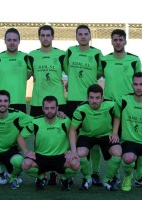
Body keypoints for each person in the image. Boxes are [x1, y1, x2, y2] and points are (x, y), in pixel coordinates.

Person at [100, 29, 142, 186]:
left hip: (130, 107)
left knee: (137, 140)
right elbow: (93, 76)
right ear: (111, 42)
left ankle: (139, 176)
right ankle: (116, 175)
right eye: (115, 39)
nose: (118, 42)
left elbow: (140, 83)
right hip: (111, 109)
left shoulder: (134, 60)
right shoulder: (104, 60)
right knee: (115, 141)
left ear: (125, 41)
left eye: (120, 39)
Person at [63, 24, 104, 186]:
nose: (82, 36)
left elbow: (100, 72)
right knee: (71, 137)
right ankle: (70, 171)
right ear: (76, 36)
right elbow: (67, 70)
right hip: (72, 101)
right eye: (79, 34)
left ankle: (94, 173)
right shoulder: (70, 52)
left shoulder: (97, 54)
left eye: (85, 34)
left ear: (90, 36)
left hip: (91, 101)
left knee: (92, 138)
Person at [0, 28, 31, 184]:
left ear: (19, 41)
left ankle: (15, 173)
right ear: (5, 41)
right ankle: (2, 173)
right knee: (2, 139)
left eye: (15, 39)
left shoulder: (26, 58)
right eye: (9, 39)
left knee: (17, 139)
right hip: (1, 104)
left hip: (19, 103)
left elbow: (31, 74)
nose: (12, 42)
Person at [28, 25, 67, 184]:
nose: (45, 38)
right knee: (39, 137)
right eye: (42, 35)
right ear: (39, 37)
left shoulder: (61, 55)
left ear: (52, 37)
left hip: (58, 102)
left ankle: (57, 171)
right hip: (38, 102)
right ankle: (42, 171)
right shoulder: (32, 55)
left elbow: (71, 72)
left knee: (60, 137)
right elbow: (27, 75)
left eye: (48, 35)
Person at [17, 96, 80, 191]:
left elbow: (73, 133)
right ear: (42, 108)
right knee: (25, 164)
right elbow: (20, 137)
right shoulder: (35, 121)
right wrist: (26, 151)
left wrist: (71, 151)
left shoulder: (65, 120)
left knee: (76, 164)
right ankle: (41, 177)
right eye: (46, 108)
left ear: (57, 108)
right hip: (41, 157)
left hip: (61, 157)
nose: (49, 111)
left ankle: (63, 179)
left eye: (52, 108)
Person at [69, 84, 122, 191]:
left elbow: (117, 116)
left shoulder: (111, 105)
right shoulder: (81, 109)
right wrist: (73, 151)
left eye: (97, 98)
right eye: (91, 98)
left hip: (106, 135)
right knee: (80, 153)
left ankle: (108, 179)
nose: (94, 101)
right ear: (87, 98)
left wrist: (115, 132)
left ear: (102, 98)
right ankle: (87, 178)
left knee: (118, 152)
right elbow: (72, 130)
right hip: (87, 135)